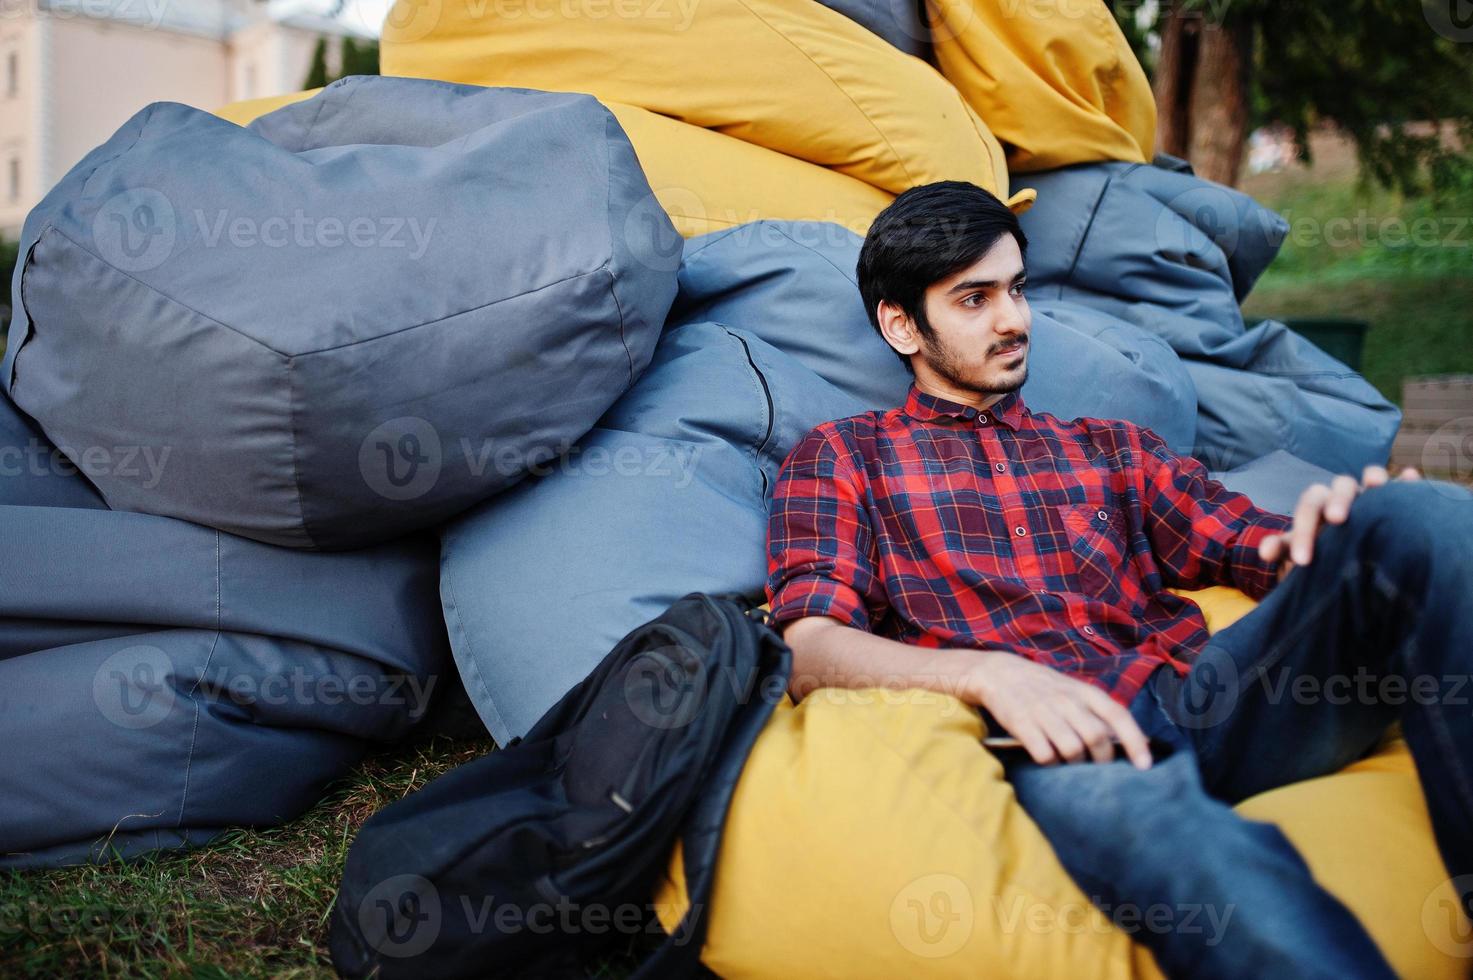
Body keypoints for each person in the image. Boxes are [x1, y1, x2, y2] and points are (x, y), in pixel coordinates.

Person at [765, 180, 1473, 979]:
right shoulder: (841, 456)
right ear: (901, 324)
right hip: (1054, 749)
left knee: (1420, 516)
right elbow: (811, 646)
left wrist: (1334, 538)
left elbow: (1246, 541)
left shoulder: (1107, 446)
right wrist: (987, 675)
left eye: (1016, 289)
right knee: (1205, 866)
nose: (1013, 320)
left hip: (1200, 701)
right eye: (974, 299)